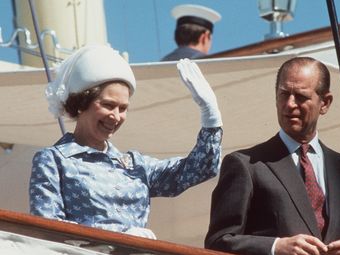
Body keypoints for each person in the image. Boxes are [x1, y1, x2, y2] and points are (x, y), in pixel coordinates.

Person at [205, 57, 340, 255]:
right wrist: (276, 248)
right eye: (284, 94)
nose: (290, 104)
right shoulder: (246, 164)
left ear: (325, 103)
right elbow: (217, 243)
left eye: (301, 96)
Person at [29, 45, 223, 239]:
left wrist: (211, 116)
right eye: (108, 105)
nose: (115, 116)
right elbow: (48, 228)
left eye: (123, 108)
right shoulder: (53, 160)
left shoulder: (137, 166)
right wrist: (121, 237)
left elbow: (199, 169)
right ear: (81, 104)